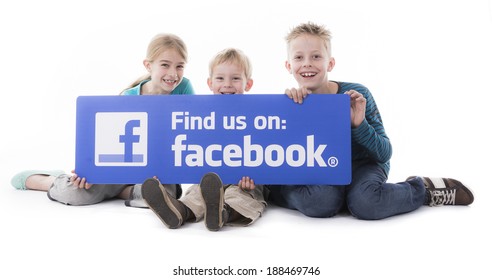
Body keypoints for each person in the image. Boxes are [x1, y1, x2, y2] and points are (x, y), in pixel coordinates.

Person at [263, 22, 474, 220]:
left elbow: (384, 153)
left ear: (331, 63)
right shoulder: (291, 103)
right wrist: (292, 113)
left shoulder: (356, 95)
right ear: (288, 66)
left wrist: (359, 124)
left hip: (363, 165)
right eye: (299, 58)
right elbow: (287, 158)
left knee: (367, 202)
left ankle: (423, 190)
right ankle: (315, 195)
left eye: (316, 56)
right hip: (323, 171)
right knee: (321, 202)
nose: (307, 63)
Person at [10, 33, 195, 207]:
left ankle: (123, 192)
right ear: (148, 66)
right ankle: (50, 179)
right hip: (121, 169)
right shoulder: (128, 98)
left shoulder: (184, 88)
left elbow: (190, 131)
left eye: (179, 66)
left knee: (163, 197)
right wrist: (88, 170)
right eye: (165, 65)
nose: (173, 73)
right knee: (75, 193)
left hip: (157, 171)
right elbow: (108, 143)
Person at [141, 48, 268, 231]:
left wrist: (255, 175)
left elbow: (268, 149)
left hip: (245, 179)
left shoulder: (259, 116)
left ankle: (221, 213)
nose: (227, 84)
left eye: (235, 78)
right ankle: (179, 211)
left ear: (248, 84)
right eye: (220, 78)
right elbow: (183, 146)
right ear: (210, 83)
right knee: (197, 192)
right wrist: (163, 169)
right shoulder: (201, 116)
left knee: (242, 196)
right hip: (210, 177)